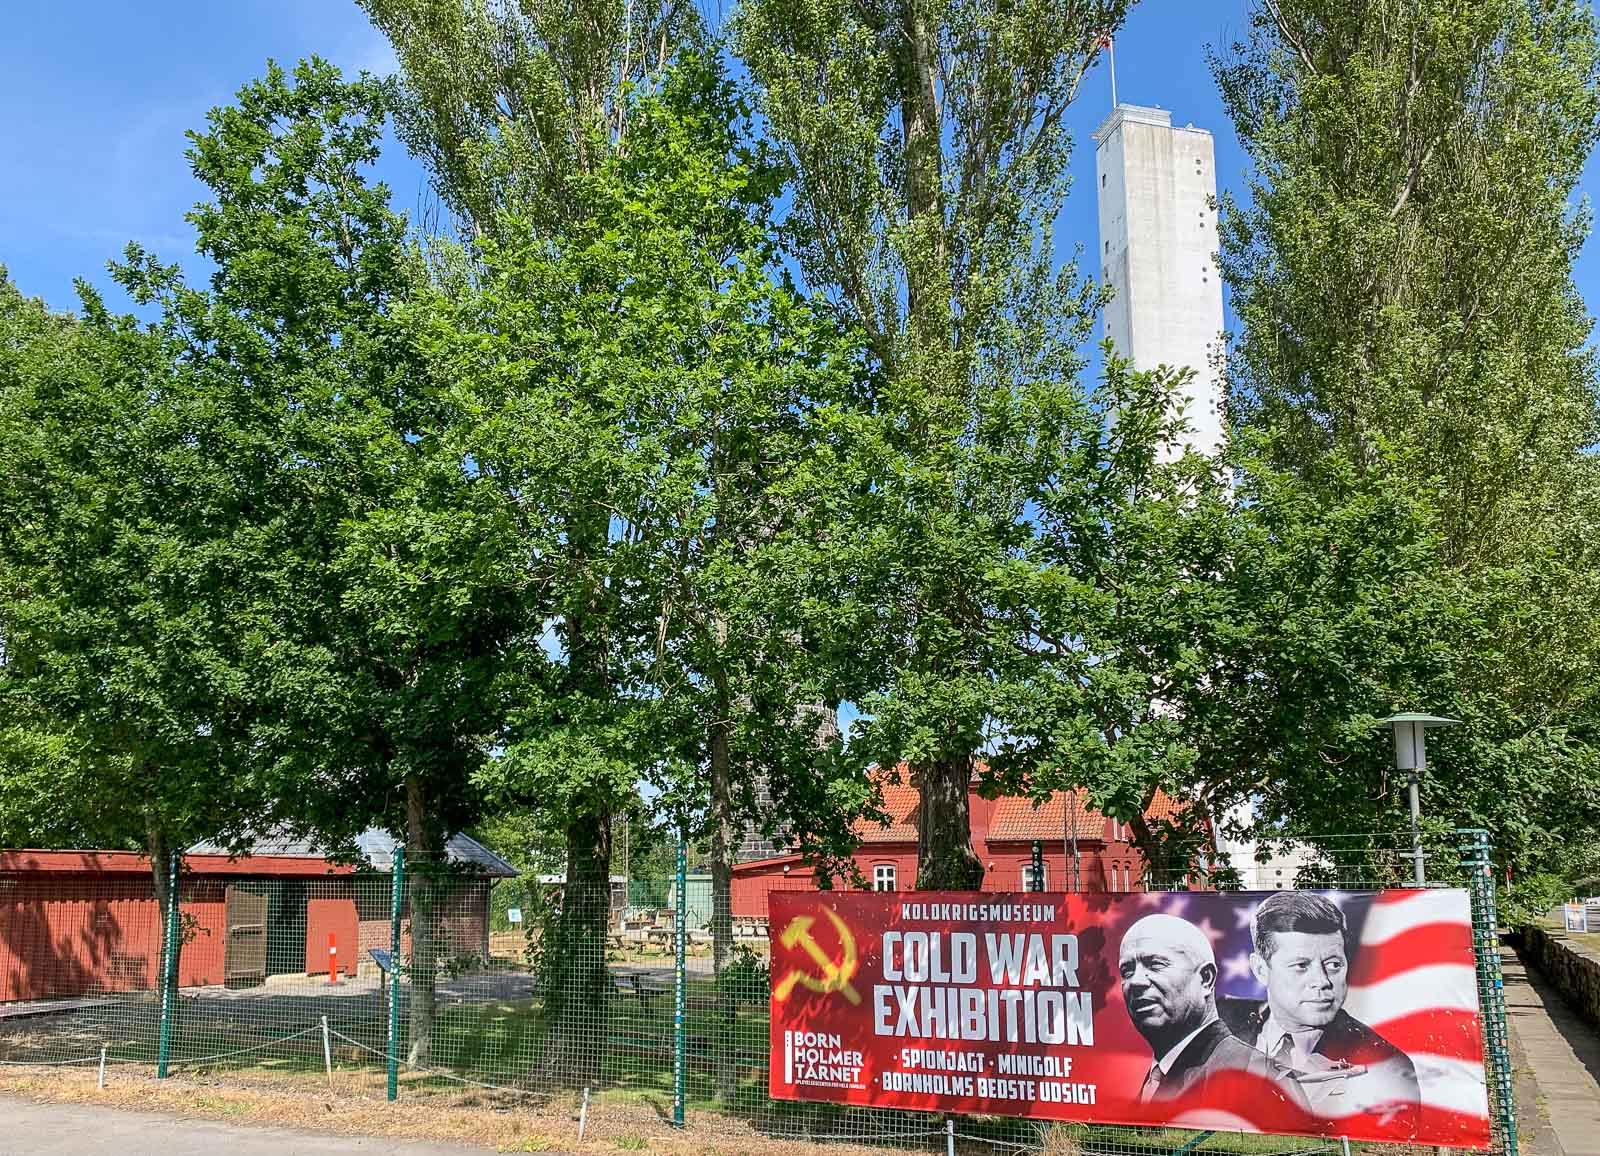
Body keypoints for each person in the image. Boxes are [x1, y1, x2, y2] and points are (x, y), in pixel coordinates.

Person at [1224, 891, 1420, 1131]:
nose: (1323, 981)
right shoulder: (1221, 1022)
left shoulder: (1384, 1064)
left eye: (1334, 964)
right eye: (1301, 965)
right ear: (1260, 970)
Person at [1118, 913, 1309, 1111]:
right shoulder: (1155, 1081)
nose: (1135, 982)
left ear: (1206, 979)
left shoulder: (1260, 1077)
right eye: (1126, 971)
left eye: (1156, 964)